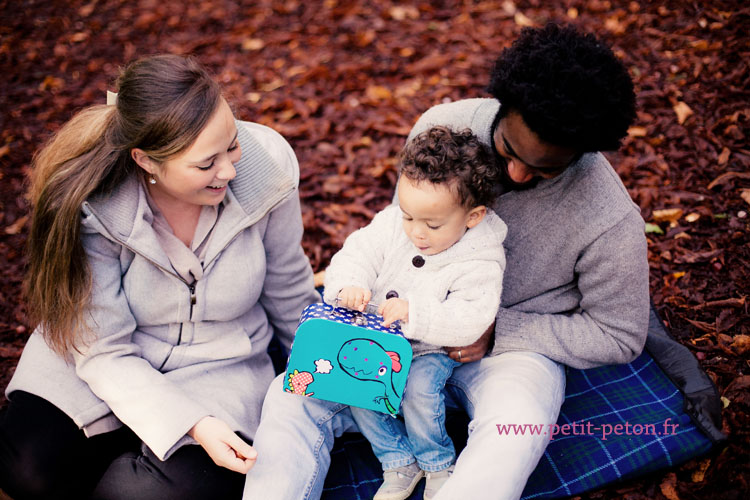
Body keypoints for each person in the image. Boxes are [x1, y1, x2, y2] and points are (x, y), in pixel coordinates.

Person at [243, 23, 649, 500]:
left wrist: (497, 330)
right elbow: (394, 229)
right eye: (508, 151)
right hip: (395, 328)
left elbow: (620, 334)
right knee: (289, 396)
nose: (515, 175)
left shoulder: (610, 218)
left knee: (519, 423)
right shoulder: (443, 129)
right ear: (502, 107)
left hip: (508, 350)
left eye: (544, 169)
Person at [0, 54, 319, 500]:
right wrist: (189, 422)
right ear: (146, 161)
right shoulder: (95, 205)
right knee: (27, 471)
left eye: (232, 145)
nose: (228, 169)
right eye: (206, 164)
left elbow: (289, 291)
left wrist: (323, 379)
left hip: (219, 371)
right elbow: (104, 350)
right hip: (94, 367)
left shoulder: (266, 173)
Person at [322, 126, 507, 500]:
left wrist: (415, 313)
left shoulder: (481, 255)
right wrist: (350, 285)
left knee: (418, 392)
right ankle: (397, 459)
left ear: (473, 217)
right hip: (374, 336)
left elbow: (473, 316)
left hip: (429, 346)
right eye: (409, 217)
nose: (416, 233)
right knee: (356, 386)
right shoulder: (393, 224)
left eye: (432, 225)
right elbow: (357, 254)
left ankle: (437, 461)